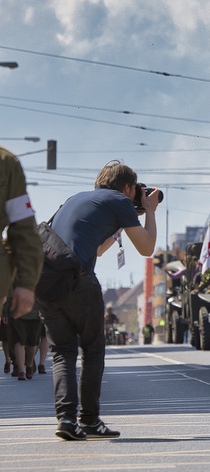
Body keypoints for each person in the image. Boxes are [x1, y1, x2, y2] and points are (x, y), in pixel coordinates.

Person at [40, 160, 159, 440]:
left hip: (44, 279)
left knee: (62, 352)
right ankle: (90, 421)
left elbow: (99, 249)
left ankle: (66, 420)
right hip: (78, 279)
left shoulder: (77, 198)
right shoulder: (119, 200)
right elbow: (147, 248)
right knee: (92, 350)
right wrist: (149, 212)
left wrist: (117, 225)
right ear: (128, 187)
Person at [0, 145, 44, 321]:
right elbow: (23, 227)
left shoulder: (6, 163)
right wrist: (26, 283)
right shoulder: (6, 162)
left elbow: (22, 227)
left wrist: (26, 282)